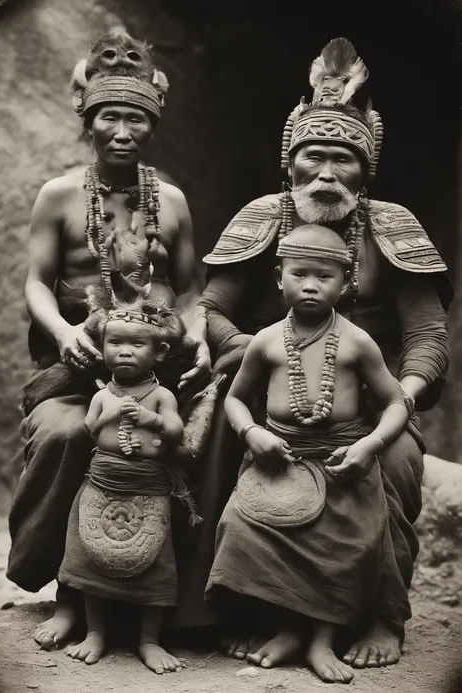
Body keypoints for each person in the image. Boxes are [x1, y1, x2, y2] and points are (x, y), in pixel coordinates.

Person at [177, 37, 451, 668]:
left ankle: (381, 616)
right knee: (219, 433)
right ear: (290, 163)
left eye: (343, 160)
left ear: (367, 168)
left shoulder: (394, 227)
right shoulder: (263, 217)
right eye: (313, 157)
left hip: (370, 400)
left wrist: (397, 402)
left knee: (402, 462)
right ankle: (239, 608)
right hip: (267, 384)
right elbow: (209, 309)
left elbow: (427, 337)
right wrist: (258, 357)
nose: (327, 173)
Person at [6, 28, 210, 650]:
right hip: (81, 362)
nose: (122, 131)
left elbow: (192, 290)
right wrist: (66, 329)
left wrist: (196, 338)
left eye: (135, 119)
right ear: (88, 121)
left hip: (156, 365)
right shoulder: (59, 196)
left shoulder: (170, 201)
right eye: (109, 117)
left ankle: (171, 602)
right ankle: (70, 594)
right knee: (71, 434)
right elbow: (37, 284)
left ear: (152, 124)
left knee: (178, 439)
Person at [206, 225, 410, 683]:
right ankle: (286, 629)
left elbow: (397, 402)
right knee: (240, 527)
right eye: (299, 274)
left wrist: (368, 446)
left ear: (347, 282)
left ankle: (320, 640)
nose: (312, 285)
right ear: (279, 278)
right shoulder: (265, 340)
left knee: (345, 542)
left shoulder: (357, 341)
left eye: (326, 276)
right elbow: (236, 398)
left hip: (342, 464)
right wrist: (251, 433)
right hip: (279, 459)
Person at [59, 287, 198, 673]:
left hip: (147, 487)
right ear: (102, 347)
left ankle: (149, 640)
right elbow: (89, 430)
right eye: (115, 342)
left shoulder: (162, 394)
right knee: (90, 558)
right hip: (102, 482)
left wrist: (150, 419)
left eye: (137, 344)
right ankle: (95, 632)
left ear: (160, 353)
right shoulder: (103, 395)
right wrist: (110, 413)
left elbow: (175, 431)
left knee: (155, 563)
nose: (124, 351)